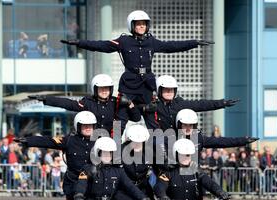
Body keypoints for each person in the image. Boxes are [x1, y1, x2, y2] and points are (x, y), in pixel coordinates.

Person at [61, 10, 214, 104]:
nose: (141, 26)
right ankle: (115, 147)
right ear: (131, 26)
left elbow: (171, 46)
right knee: (121, 114)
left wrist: (194, 43)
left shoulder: (151, 41)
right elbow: (102, 45)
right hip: (129, 82)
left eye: (144, 24)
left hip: (147, 82)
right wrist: (79, 43)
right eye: (138, 24)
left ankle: (159, 151)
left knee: (153, 115)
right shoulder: (123, 41)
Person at [28, 74, 141, 134]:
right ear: (95, 89)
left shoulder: (116, 103)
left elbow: (136, 118)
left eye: (107, 88)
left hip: (112, 143)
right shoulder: (88, 102)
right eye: (101, 88)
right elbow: (68, 103)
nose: (104, 91)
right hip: (91, 142)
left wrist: (130, 104)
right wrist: (46, 99)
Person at [138, 75, 239, 131]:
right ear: (159, 90)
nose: (169, 92)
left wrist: (222, 103)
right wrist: (144, 108)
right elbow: (134, 108)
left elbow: (201, 105)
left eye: (172, 90)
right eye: (166, 89)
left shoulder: (179, 104)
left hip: (179, 143)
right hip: (158, 146)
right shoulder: (153, 106)